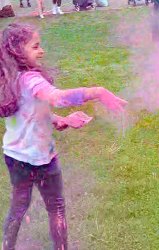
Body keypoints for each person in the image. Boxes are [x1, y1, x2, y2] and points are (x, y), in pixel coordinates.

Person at [0, 23, 127, 250]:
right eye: (35, 47)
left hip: (14, 156)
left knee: (18, 207)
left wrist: (61, 120)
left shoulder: (11, 78)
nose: (42, 51)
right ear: (18, 51)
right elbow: (56, 98)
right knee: (56, 208)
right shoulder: (31, 80)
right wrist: (97, 92)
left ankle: (6, 246)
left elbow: (30, 112)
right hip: (41, 159)